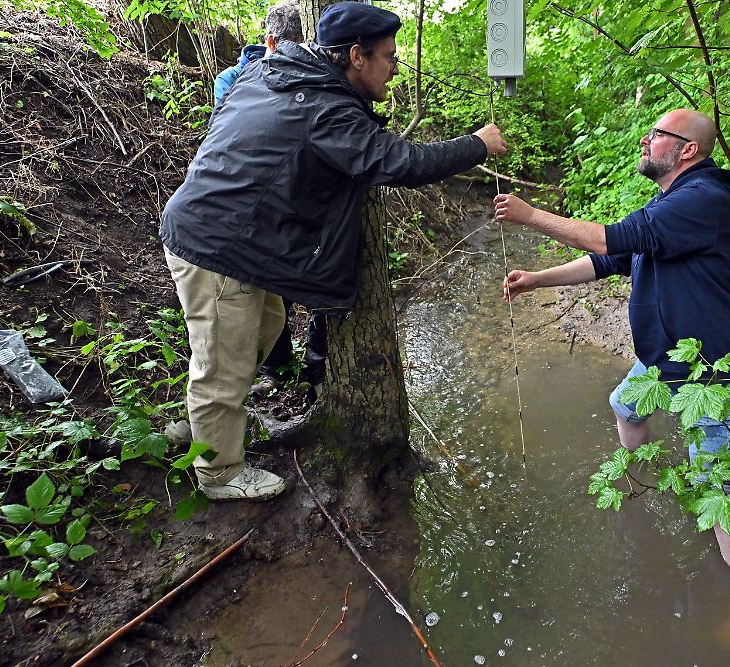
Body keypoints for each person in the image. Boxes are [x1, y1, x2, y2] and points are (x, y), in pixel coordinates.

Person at [161, 1, 507, 501]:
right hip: (218, 244)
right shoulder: (324, 108)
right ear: (355, 56)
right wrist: (475, 144)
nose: (394, 69)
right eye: (388, 57)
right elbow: (397, 161)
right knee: (223, 360)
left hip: (232, 234)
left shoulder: (279, 72)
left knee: (261, 329)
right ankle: (219, 474)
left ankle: (203, 423)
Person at [493, 109, 730, 580]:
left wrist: (530, 215)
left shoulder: (703, 199)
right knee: (625, 407)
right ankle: (645, 481)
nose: (646, 140)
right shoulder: (671, 203)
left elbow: (610, 236)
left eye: (658, 134)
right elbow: (609, 257)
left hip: (713, 369)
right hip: (667, 360)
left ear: (687, 150)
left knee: (719, 491)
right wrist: (537, 280)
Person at [211, 2, 326, 399]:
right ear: (270, 41)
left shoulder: (314, 75)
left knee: (311, 283)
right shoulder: (235, 78)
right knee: (266, 290)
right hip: (255, 204)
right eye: (287, 44)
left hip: (299, 200)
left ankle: (315, 365)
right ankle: (276, 368)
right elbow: (228, 135)